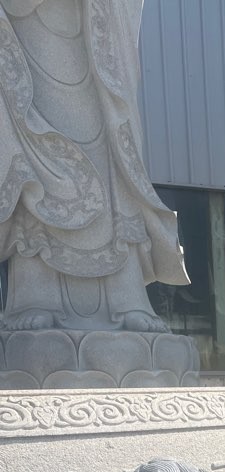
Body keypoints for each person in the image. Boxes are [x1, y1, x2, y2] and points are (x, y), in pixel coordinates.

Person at [0, 0, 187, 332]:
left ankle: (127, 297)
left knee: (113, 151)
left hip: (92, 30)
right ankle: (36, 295)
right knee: (37, 162)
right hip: (27, 28)